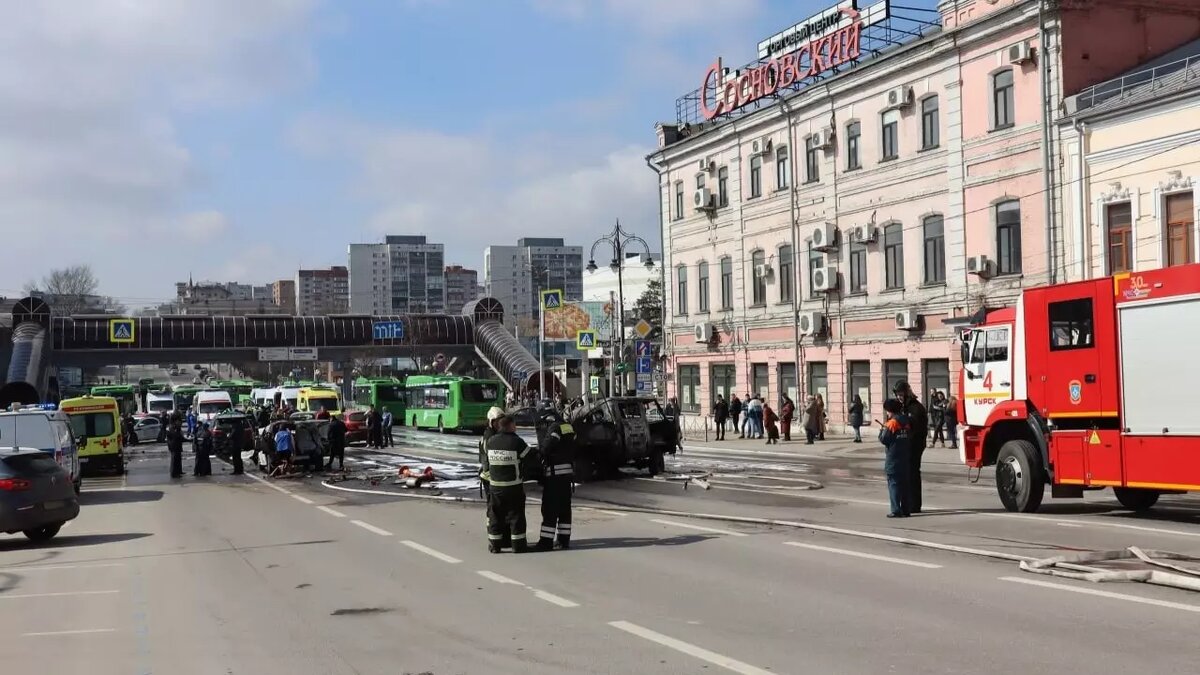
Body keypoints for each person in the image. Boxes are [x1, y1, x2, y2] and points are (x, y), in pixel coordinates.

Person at [482, 415, 535, 553]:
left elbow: (486, 459)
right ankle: (518, 545)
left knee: (496, 516)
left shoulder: (491, 442)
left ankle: (495, 545)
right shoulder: (516, 442)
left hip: (495, 487)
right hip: (513, 487)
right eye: (514, 425)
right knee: (515, 516)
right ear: (510, 426)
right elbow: (530, 457)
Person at [535, 411, 576, 551]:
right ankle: (564, 540)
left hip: (554, 475)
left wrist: (538, 454)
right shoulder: (568, 427)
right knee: (565, 509)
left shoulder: (555, 428)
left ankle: (546, 541)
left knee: (550, 509)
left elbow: (546, 447)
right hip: (567, 475)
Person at [893, 381, 928, 513]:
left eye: (901, 394)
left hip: (915, 444)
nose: (899, 397)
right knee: (908, 474)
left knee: (913, 474)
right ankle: (910, 503)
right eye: (898, 395)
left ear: (907, 393)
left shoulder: (915, 408)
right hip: (908, 445)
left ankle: (914, 505)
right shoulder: (905, 406)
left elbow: (916, 428)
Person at [479, 406, 508, 548]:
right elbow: (487, 459)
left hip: (497, 478)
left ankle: (502, 537)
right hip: (490, 477)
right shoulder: (489, 436)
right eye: (497, 422)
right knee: (493, 509)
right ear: (491, 422)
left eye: (501, 421)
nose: (499, 424)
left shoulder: (498, 434)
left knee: (500, 509)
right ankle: (494, 538)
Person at [879, 398, 912, 518]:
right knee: (904, 485)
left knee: (893, 484)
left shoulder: (892, 423)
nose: (887, 413)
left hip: (893, 457)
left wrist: (882, 429)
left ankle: (896, 510)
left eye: (887, 411)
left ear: (890, 411)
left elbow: (884, 439)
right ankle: (906, 509)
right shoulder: (906, 421)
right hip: (905, 456)